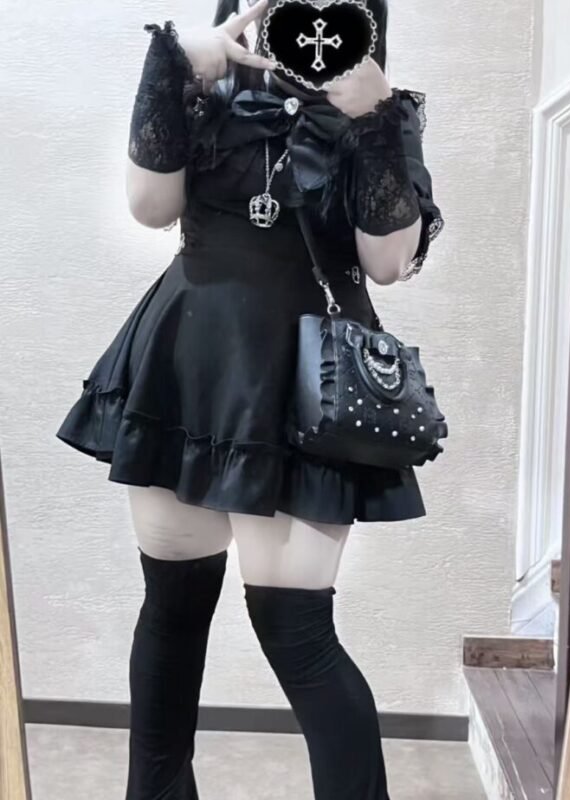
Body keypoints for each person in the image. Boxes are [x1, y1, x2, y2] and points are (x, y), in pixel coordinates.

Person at [56, 0, 444, 797]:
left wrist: (374, 118)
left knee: (295, 630)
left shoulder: (381, 111)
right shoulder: (202, 87)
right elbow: (151, 206)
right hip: (186, 364)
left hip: (308, 390)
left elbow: (387, 262)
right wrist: (175, 67)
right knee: (172, 610)